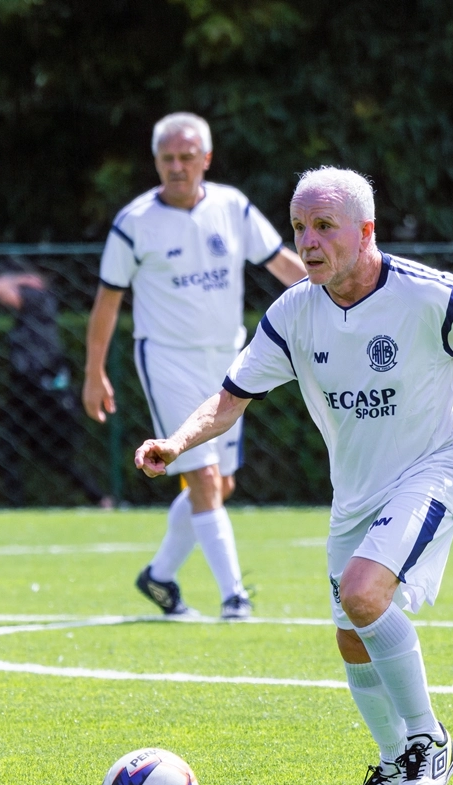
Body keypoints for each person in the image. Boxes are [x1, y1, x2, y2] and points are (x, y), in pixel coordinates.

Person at [133, 166, 453, 785]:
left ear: (366, 231)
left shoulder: (428, 296)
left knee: (363, 594)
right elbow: (230, 397)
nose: (307, 241)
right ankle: (394, 765)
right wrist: (176, 442)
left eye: (324, 227)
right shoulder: (294, 312)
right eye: (300, 227)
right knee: (350, 632)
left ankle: (430, 742)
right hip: (357, 491)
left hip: (437, 466)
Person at [83, 112, 306, 620]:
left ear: (206, 159)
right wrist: (94, 371)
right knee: (203, 479)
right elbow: (107, 301)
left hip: (229, 359)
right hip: (166, 360)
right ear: (156, 162)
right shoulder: (134, 223)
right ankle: (235, 598)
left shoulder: (233, 207)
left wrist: (336, 290)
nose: (177, 167)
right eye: (168, 159)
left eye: (187, 157)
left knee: (220, 486)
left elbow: (281, 262)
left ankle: (159, 577)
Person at [0, 271, 110, 508]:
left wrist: (18, 279)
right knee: (9, 448)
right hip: (26, 393)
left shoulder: (35, 298)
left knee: (49, 454)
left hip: (43, 395)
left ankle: (100, 498)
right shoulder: (37, 309)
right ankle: (15, 504)